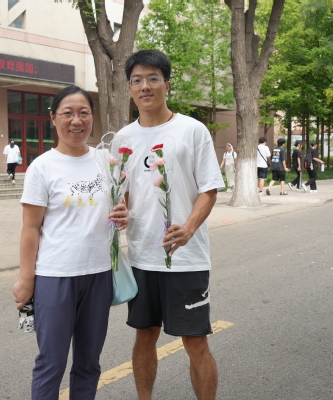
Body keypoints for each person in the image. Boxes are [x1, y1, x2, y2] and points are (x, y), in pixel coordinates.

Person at [117, 49, 223, 400]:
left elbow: (209, 189)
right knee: (144, 335)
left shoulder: (192, 130)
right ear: (130, 88)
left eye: (153, 78)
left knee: (195, 342)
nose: (144, 86)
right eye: (136, 80)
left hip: (186, 258)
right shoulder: (123, 139)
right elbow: (124, 194)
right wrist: (120, 210)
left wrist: (189, 228)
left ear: (167, 85)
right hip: (141, 256)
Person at [12, 85, 128, 400]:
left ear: (92, 117)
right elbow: (31, 227)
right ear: (53, 118)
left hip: (99, 274)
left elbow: (121, 204)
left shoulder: (106, 161)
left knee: (89, 362)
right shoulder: (42, 167)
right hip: (55, 275)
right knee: (51, 362)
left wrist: (123, 213)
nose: (76, 121)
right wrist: (26, 279)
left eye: (84, 113)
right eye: (68, 113)